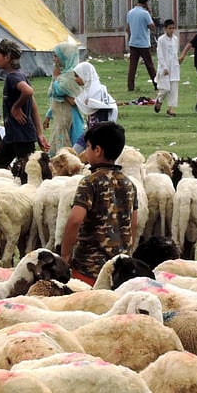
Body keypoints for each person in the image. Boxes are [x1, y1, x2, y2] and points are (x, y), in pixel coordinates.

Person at [60, 121, 138, 285]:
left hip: (89, 270)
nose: (86, 151)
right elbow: (133, 224)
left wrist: (65, 255)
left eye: (88, 147)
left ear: (97, 150)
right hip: (119, 271)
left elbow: (75, 220)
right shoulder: (129, 183)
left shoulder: (89, 182)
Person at [0, 39, 46, 170]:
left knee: (29, 172)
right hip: (12, 137)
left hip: (22, 137)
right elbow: (33, 104)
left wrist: (16, 107)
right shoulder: (20, 75)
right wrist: (39, 133)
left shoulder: (12, 77)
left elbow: (28, 92)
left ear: (7, 57)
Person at [46, 41, 84, 154]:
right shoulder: (62, 75)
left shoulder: (73, 76)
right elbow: (55, 95)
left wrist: (56, 77)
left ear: (65, 56)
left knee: (71, 148)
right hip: (60, 118)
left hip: (71, 118)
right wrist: (48, 115)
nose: (54, 59)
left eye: (56, 56)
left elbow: (59, 90)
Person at [125, 0, 157, 92]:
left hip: (133, 42)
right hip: (143, 43)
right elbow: (152, 27)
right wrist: (149, 12)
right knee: (149, 65)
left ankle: (130, 86)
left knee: (132, 66)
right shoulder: (145, 13)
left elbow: (128, 28)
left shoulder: (130, 12)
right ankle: (156, 84)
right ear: (146, 3)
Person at [153, 18, 181, 115]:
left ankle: (170, 108)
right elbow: (160, 55)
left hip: (174, 67)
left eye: (173, 28)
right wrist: (164, 67)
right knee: (165, 88)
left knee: (173, 89)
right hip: (164, 67)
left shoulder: (175, 39)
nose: (171, 30)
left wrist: (177, 63)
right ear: (165, 29)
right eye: (169, 28)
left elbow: (175, 53)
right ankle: (159, 100)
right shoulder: (161, 40)